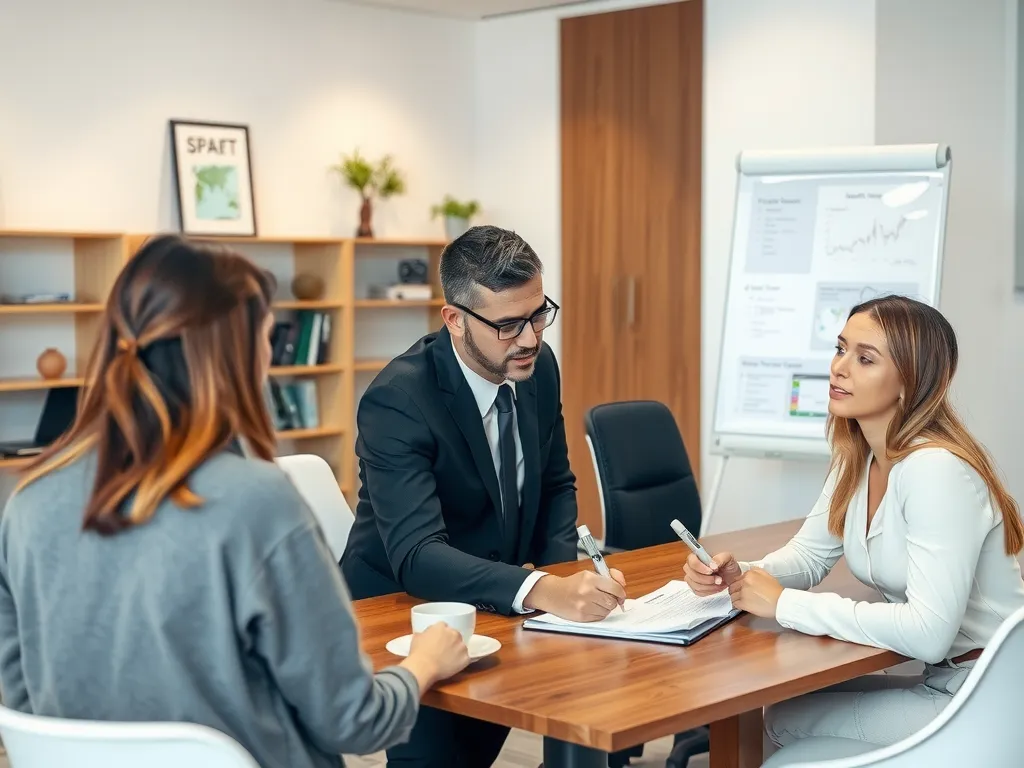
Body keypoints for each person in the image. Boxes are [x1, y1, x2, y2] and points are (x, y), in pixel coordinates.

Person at [0, 235, 472, 768]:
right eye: (267, 338)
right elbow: (356, 721)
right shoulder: (257, 504)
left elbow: (24, 703)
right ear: (237, 355)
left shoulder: (28, 502)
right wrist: (425, 663)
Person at [340, 225, 627, 767]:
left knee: (590, 708)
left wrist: (559, 585)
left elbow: (555, 484)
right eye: (508, 325)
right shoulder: (399, 399)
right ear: (455, 319)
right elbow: (418, 555)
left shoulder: (537, 367)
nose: (530, 338)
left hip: (502, 590)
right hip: (406, 609)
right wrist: (539, 589)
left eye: (540, 314)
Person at [684, 294, 1024, 752]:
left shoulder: (934, 470)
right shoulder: (860, 456)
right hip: (946, 679)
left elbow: (927, 632)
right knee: (784, 709)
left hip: (988, 699)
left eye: (865, 359)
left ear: (911, 381)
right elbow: (808, 555)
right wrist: (742, 573)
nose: (839, 367)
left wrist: (784, 604)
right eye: (840, 349)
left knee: (786, 723)